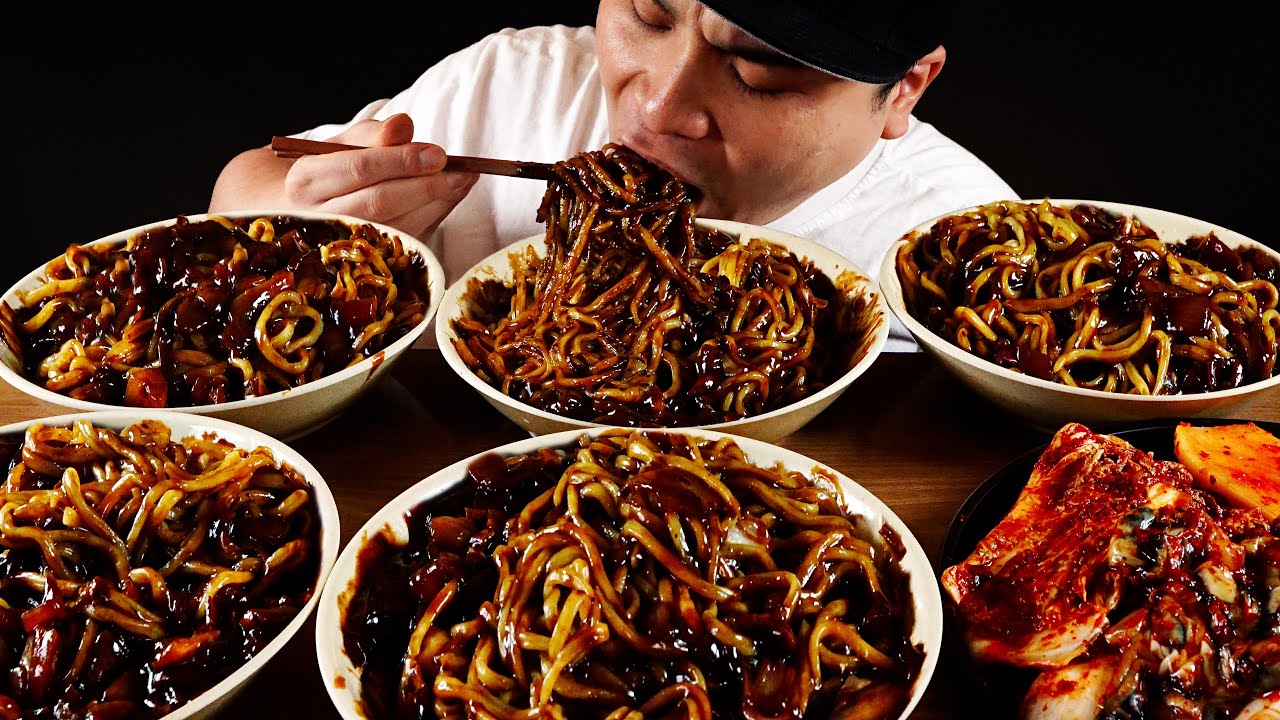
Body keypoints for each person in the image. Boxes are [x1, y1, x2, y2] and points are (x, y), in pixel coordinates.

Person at [209, 0, 1015, 352]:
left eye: (757, 71)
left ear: (903, 89)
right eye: (647, 16)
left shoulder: (964, 258)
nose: (660, 106)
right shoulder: (509, 86)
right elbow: (243, 186)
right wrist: (296, 218)